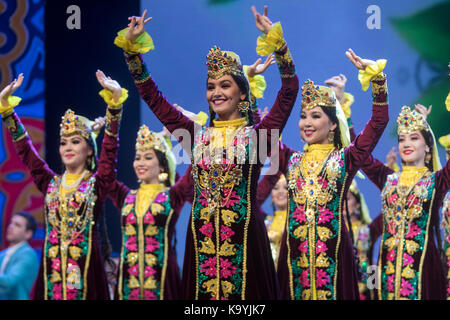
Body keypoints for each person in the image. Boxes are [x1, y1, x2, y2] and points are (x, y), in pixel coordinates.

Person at [114, 6, 299, 299]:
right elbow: (154, 99)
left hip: (245, 246)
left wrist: (278, 44)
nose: (216, 92)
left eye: (225, 85)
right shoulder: (196, 137)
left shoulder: (257, 137)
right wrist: (132, 54)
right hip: (201, 247)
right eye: (211, 87)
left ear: (242, 92)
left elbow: (288, 93)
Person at [0, 70, 127, 300]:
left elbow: (109, 152)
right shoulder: (50, 184)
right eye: (63, 142)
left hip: (84, 278)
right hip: (52, 279)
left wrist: (114, 107)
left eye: (75, 142)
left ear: (89, 149)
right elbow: (26, 150)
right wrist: (7, 111)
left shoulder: (96, 184)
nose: (67, 147)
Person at [275, 49, 389, 300]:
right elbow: (265, 132)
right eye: (303, 116)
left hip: (334, 261)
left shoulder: (345, 159)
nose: (307, 122)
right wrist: (280, 53)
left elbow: (379, 122)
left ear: (333, 124)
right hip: (296, 263)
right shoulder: (290, 160)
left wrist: (377, 79)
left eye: (316, 116)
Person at [359, 103, 449, 300]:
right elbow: (361, 155)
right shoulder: (388, 179)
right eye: (402, 139)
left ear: (427, 146)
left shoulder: (436, 182)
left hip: (423, 271)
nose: (406, 144)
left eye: (414, 138)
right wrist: (344, 113)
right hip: (386, 273)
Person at [0, 212, 39, 300]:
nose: (10, 227)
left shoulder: (27, 254)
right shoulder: (3, 255)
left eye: (17, 225)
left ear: (28, 233)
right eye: (11, 223)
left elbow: (9, 281)